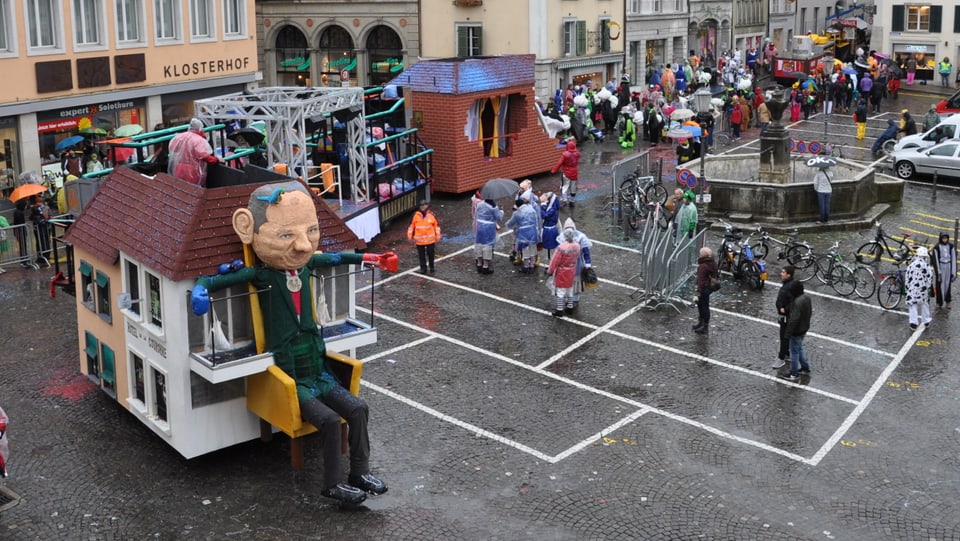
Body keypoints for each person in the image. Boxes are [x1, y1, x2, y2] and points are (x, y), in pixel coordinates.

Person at [190, 180, 398, 505]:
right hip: (292, 377)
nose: (302, 247)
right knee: (329, 422)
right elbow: (221, 280)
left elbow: (334, 258)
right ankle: (332, 484)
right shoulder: (263, 275)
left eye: (307, 233)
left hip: (319, 371)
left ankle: (359, 471)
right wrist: (202, 288)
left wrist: (369, 258)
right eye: (287, 235)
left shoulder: (308, 265)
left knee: (358, 409)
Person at [167, 118, 222, 185]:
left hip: (179, 168)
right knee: (192, 190)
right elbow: (204, 156)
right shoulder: (198, 140)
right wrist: (216, 160)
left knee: (180, 189)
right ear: (200, 128)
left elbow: (173, 148)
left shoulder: (179, 137)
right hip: (192, 170)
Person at [557, 218, 593, 311]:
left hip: (571, 265)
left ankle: (573, 300)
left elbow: (586, 252)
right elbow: (586, 252)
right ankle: (571, 301)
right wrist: (587, 264)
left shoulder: (578, 237)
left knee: (572, 283)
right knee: (573, 283)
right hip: (575, 265)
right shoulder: (579, 237)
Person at [779, 280, 811, 382]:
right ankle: (805, 368)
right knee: (799, 348)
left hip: (796, 331)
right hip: (804, 328)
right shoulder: (806, 298)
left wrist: (787, 334)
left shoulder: (796, 303)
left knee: (794, 352)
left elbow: (793, 320)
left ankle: (794, 373)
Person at [547, 228, 581, 317]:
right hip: (571, 270)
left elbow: (555, 260)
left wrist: (550, 270)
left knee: (560, 291)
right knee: (570, 289)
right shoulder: (577, 246)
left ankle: (559, 309)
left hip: (562, 271)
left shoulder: (561, 247)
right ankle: (570, 307)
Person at [506, 192, 542, 274]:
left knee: (525, 250)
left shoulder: (517, 213)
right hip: (533, 231)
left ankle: (526, 266)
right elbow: (537, 221)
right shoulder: (532, 209)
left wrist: (507, 225)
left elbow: (511, 224)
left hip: (523, 233)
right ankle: (532, 265)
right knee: (533, 248)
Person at [471, 192, 503, 274]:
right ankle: (485, 266)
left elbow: (475, 214)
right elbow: (499, 217)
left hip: (480, 226)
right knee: (487, 246)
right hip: (489, 228)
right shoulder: (493, 207)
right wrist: (501, 210)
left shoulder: (480, 204)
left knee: (479, 244)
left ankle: (479, 264)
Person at [407, 199, 441, 275]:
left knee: (431, 254)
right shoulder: (415, 216)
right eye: (421, 205)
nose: (423, 207)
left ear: (427, 205)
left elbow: (436, 226)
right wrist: (409, 236)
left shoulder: (432, 215)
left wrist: (438, 236)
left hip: (430, 240)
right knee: (421, 256)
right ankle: (423, 268)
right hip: (419, 241)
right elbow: (411, 227)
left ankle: (432, 267)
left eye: (424, 205)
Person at [772, 266, 796, 370]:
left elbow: (792, 301)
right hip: (786, 315)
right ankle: (786, 353)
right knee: (786, 336)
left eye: (783, 272)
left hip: (786, 316)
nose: (781, 274)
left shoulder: (789, 287)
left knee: (784, 336)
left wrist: (783, 309)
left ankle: (782, 357)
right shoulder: (790, 285)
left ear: (788, 275)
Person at [904, 246, 934, 330]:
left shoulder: (911, 265)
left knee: (913, 304)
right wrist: (928, 287)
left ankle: (913, 323)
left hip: (912, 288)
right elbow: (929, 278)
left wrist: (907, 287)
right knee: (924, 304)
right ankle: (926, 320)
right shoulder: (926, 265)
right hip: (923, 288)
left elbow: (907, 276)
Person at [693, 247, 717, 334]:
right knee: (702, 305)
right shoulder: (712, 263)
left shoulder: (703, 266)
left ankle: (704, 326)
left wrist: (698, 291)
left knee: (703, 307)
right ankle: (701, 323)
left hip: (703, 289)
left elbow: (701, 280)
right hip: (708, 288)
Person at [551, 141, 581, 207]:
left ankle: (564, 200)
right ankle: (572, 201)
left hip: (566, 172)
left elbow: (559, 163)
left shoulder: (565, 154)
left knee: (565, 186)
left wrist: (553, 170)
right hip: (574, 172)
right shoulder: (577, 153)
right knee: (573, 187)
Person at [932, 233, 957, 309]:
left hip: (948, 266)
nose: (945, 240)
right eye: (943, 238)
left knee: (948, 284)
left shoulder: (951, 246)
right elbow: (935, 259)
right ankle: (939, 302)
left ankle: (948, 301)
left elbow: (953, 258)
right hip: (941, 266)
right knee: (939, 285)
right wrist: (938, 271)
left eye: (946, 238)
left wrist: (953, 271)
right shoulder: (937, 247)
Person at [539, 191, 561, 261]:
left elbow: (544, 215)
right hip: (549, 229)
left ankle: (552, 264)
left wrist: (542, 205)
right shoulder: (551, 208)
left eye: (546, 195)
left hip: (549, 230)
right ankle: (550, 263)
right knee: (548, 248)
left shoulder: (552, 209)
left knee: (551, 248)